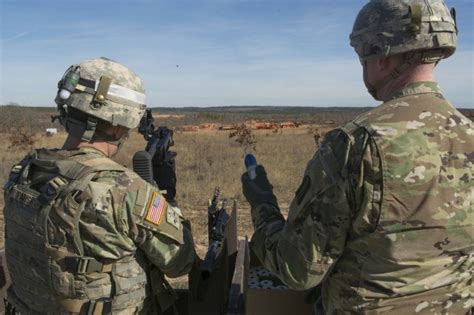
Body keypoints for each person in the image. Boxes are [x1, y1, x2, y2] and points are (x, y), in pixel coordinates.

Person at [241, 0, 472, 313]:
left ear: (382, 57)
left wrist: (263, 204)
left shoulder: (354, 144)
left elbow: (298, 268)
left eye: (363, 55)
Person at [3, 57, 195, 314]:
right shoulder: (124, 190)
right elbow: (180, 263)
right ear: (118, 126)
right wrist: (166, 199)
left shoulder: (24, 170)